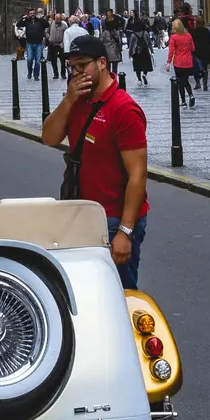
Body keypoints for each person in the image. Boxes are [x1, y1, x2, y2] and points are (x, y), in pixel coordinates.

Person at [41, 34, 149, 289]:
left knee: (119, 294)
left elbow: (137, 175)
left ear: (102, 63)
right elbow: (49, 137)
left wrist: (125, 231)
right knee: (86, 292)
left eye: (82, 65)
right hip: (81, 213)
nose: (76, 73)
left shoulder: (123, 109)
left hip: (113, 219)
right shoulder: (77, 99)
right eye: (72, 67)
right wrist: (68, 100)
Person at [166, 17, 196, 106]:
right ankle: (191, 95)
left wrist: (168, 63)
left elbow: (171, 51)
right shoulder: (189, 36)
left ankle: (183, 101)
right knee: (185, 80)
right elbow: (193, 48)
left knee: (180, 82)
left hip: (178, 62)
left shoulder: (174, 37)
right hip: (188, 62)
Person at [190, 14, 210, 91]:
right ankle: (205, 85)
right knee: (205, 68)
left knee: (196, 68)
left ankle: (198, 83)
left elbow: (190, 42)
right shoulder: (206, 30)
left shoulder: (193, 31)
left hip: (196, 52)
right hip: (206, 51)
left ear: (196, 22)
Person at [24, 7, 47, 78]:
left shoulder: (39, 21)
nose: (32, 14)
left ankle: (36, 75)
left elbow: (47, 24)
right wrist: (23, 18)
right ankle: (30, 71)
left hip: (38, 43)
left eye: (33, 13)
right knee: (29, 59)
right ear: (29, 14)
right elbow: (18, 24)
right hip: (29, 43)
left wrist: (41, 19)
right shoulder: (27, 21)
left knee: (37, 61)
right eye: (31, 13)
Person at [128, 19, 153, 86]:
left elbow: (131, 45)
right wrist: (152, 51)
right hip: (145, 51)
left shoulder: (133, 35)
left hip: (136, 53)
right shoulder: (145, 33)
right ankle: (144, 74)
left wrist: (130, 54)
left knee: (137, 67)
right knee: (146, 65)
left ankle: (139, 80)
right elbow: (150, 43)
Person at [101, 11, 124, 78]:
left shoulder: (105, 32)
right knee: (115, 68)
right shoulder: (116, 32)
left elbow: (101, 41)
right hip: (115, 52)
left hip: (107, 53)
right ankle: (114, 79)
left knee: (107, 68)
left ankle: (108, 80)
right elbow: (119, 42)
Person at [46, 11, 65, 79]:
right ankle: (55, 74)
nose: (58, 20)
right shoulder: (51, 23)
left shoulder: (64, 26)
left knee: (62, 60)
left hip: (60, 45)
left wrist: (63, 42)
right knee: (53, 60)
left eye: (60, 19)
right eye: (57, 19)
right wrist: (48, 37)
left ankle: (63, 74)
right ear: (55, 18)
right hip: (52, 44)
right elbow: (47, 31)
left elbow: (66, 35)